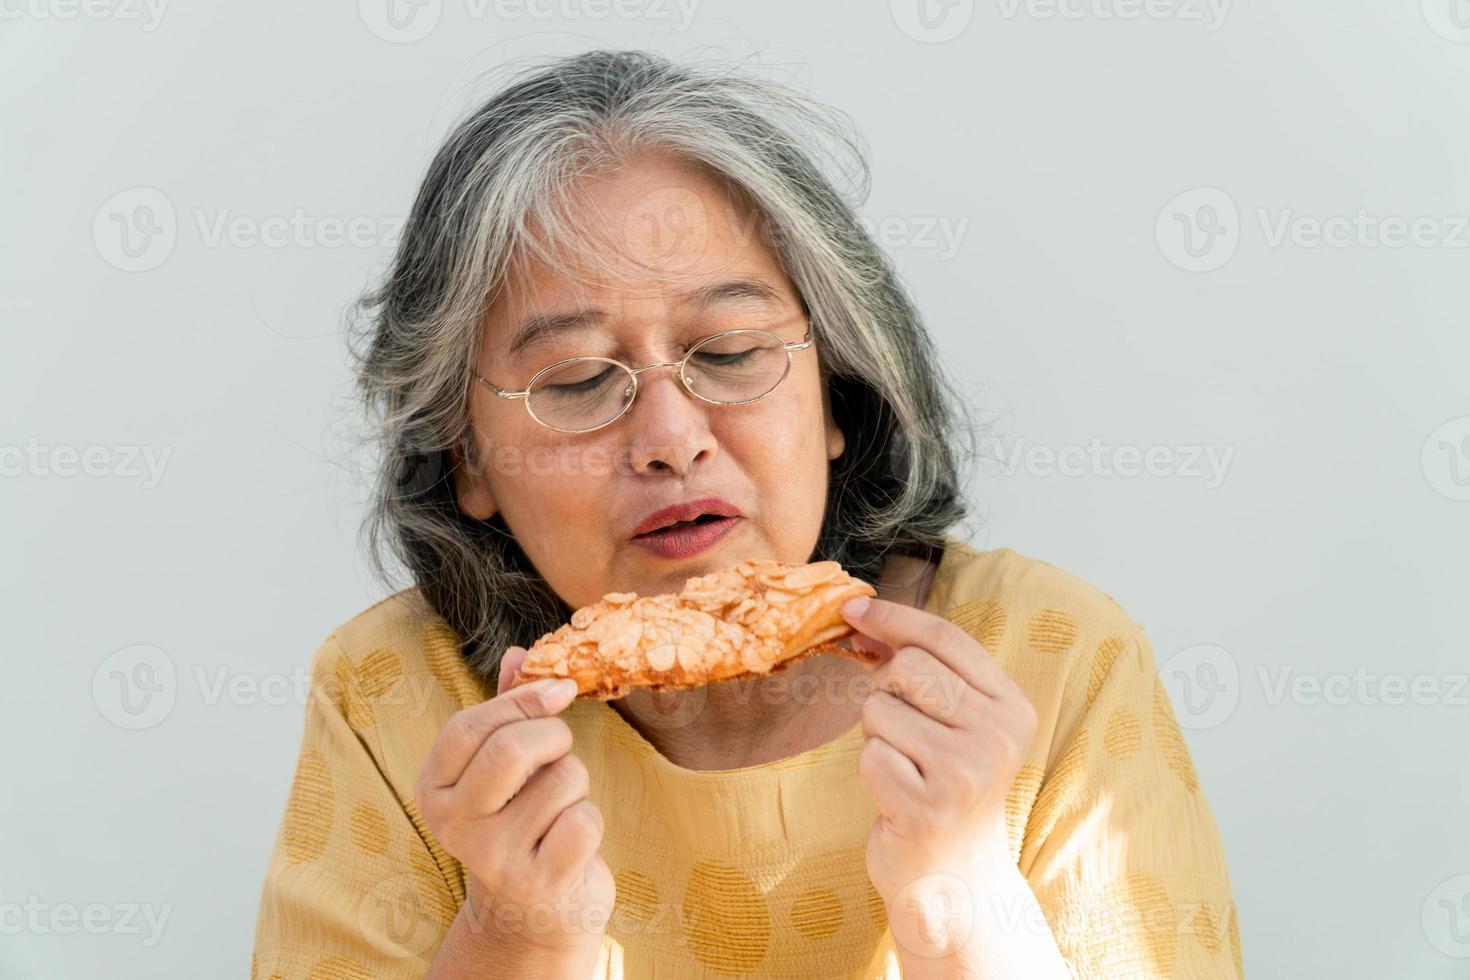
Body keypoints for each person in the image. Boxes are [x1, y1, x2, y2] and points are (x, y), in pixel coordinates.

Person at [251, 48, 1242, 979]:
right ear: (468, 456)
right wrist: (512, 931)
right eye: (579, 378)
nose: (670, 437)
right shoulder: (394, 698)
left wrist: (963, 900)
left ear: (834, 394)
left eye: (728, 353)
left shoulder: (1054, 661)